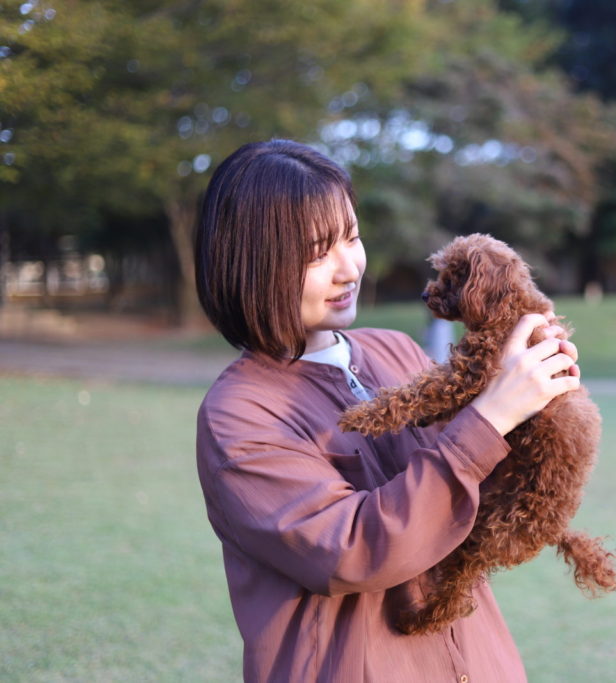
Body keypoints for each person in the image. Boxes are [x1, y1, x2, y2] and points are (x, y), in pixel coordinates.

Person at [193, 139, 582, 682]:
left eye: (351, 237)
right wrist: (491, 416)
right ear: (253, 263)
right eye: (316, 250)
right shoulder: (241, 414)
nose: (349, 267)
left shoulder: (393, 350)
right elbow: (350, 551)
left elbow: (470, 499)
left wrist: (536, 402)